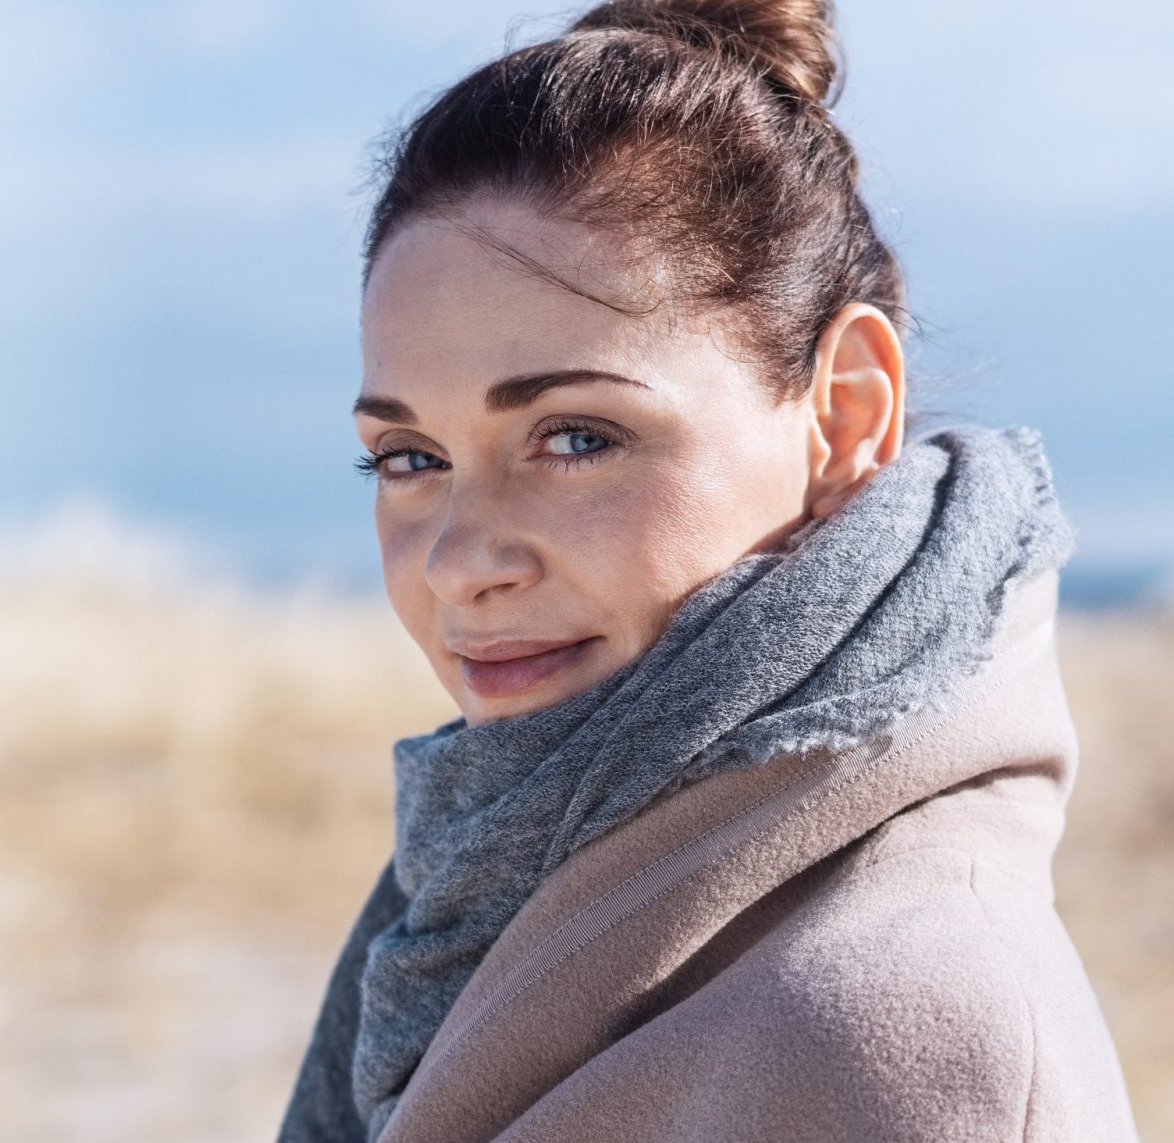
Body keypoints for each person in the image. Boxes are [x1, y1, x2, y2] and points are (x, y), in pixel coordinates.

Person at [275, 1, 1142, 1140]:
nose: (457, 564)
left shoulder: (909, 1040)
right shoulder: (480, 888)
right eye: (409, 458)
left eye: (576, 438)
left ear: (842, 415)